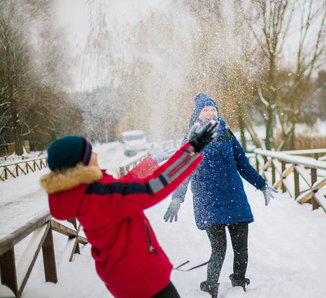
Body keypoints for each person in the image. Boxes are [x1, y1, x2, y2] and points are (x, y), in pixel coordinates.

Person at [40, 120, 219, 298]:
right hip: (142, 279)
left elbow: (123, 187)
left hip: (125, 278)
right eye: (90, 152)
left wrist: (150, 162)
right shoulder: (100, 194)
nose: (95, 154)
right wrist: (191, 150)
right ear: (82, 163)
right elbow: (154, 187)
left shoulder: (83, 192)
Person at [164, 93, 277, 298]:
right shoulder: (192, 138)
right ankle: (210, 286)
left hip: (234, 197)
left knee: (241, 245)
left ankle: (239, 282)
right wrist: (176, 199)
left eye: (213, 109)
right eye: (206, 110)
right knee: (219, 248)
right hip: (208, 201)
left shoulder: (228, 134)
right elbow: (183, 171)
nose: (211, 112)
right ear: (198, 114)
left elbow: (243, 165)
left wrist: (262, 185)